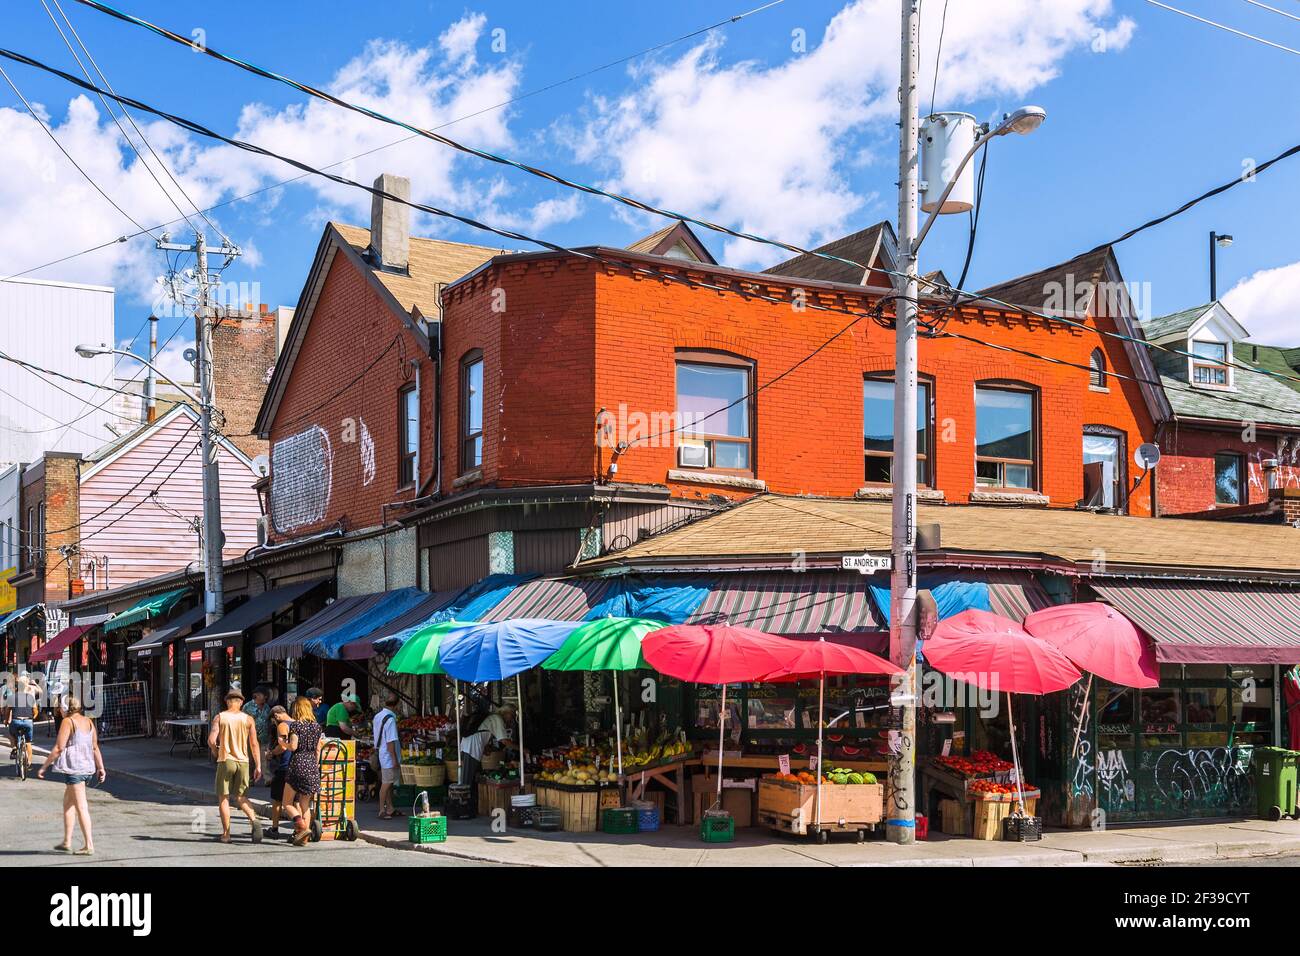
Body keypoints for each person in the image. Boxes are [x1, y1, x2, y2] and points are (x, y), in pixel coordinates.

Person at [36, 696, 105, 855]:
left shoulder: (68, 722)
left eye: (60, 707)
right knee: (68, 804)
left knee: (81, 807)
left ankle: (89, 845)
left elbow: (59, 747)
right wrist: (101, 768)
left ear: (65, 708)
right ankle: (67, 842)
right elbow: (95, 747)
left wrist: (44, 767)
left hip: (75, 769)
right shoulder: (88, 722)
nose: (59, 709)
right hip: (86, 768)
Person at [207, 687, 263, 844]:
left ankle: (226, 834)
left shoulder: (220, 717)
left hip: (225, 760)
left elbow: (211, 740)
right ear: (241, 702)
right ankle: (254, 819)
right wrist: (258, 766)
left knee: (223, 798)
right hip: (243, 762)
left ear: (227, 701)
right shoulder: (248, 719)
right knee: (242, 797)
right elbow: (254, 744)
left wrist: (215, 751)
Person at [283, 695, 324, 846]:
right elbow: (318, 749)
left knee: (287, 803)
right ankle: (303, 838)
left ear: (297, 709)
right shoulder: (316, 726)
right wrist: (315, 765)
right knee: (305, 805)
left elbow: (293, 746)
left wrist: (283, 743)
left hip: (297, 764)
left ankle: (300, 825)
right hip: (312, 766)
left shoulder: (296, 726)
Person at [458, 703, 516, 796]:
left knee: (475, 776)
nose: (511, 719)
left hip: (469, 746)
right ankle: (463, 801)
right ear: (507, 712)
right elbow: (504, 741)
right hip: (472, 748)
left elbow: (482, 731)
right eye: (512, 715)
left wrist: (485, 748)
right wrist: (521, 748)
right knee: (467, 779)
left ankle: (472, 800)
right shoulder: (498, 718)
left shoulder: (493, 717)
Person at [372, 691, 402, 819]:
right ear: (396, 705)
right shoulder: (391, 720)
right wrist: (395, 759)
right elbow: (390, 743)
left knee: (388, 783)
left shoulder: (378, 716)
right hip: (388, 756)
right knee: (386, 784)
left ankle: (390, 808)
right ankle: (381, 810)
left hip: (381, 753)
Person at [266, 705, 292, 838]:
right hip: (297, 766)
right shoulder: (298, 724)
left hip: (284, 766)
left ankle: (274, 829)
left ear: (276, 716)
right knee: (297, 801)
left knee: (276, 799)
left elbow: (282, 746)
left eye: (273, 721)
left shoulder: (282, 725)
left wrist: (271, 753)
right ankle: (300, 829)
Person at [4, 675, 39, 772]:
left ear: (16, 687)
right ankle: (29, 762)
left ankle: (15, 747)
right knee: (28, 742)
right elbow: (36, 711)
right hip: (28, 721)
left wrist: (6, 721)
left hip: (16, 721)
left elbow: (7, 711)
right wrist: (32, 719)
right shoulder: (30, 697)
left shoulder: (12, 697)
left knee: (11, 733)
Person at [243, 685, 273, 761]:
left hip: (264, 739)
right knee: (250, 762)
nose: (265, 698)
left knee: (264, 763)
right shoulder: (247, 706)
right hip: (250, 738)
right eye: (263, 695)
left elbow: (268, 722)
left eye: (266, 696)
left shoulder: (267, 707)